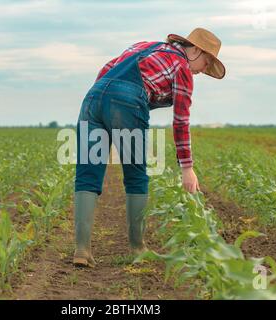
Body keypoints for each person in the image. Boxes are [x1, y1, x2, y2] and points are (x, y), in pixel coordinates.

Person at [73, 28, 226, 267]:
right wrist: (187, 168)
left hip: (92, 98)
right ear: (195, 49)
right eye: (207, 63)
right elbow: (181, 121)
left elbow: (107, 69)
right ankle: (138, 248)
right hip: (126, 100)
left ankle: (81, 250)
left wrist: (104, 103)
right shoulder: (182, 67)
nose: (203, 71)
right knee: (136, 176)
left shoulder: (143, 46)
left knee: (87, 172)